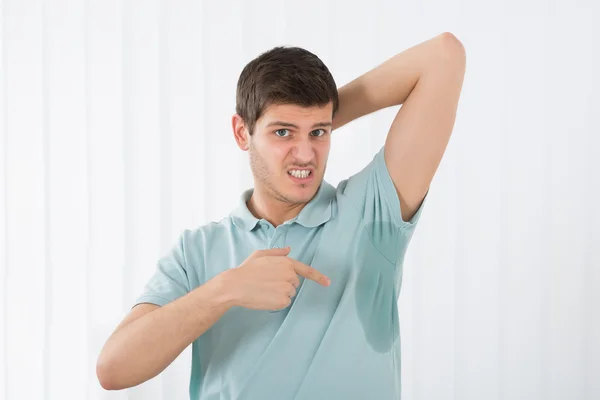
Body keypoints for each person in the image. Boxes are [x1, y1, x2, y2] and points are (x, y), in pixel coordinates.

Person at [97, 32, 466, 399]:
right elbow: (114, 369)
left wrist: (327, 112)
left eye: (318, 132)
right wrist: (226, 290)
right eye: (283, 132)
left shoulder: (370, 214)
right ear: (243, 133)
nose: (305, 154)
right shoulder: (198, 251)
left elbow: (443, 57)